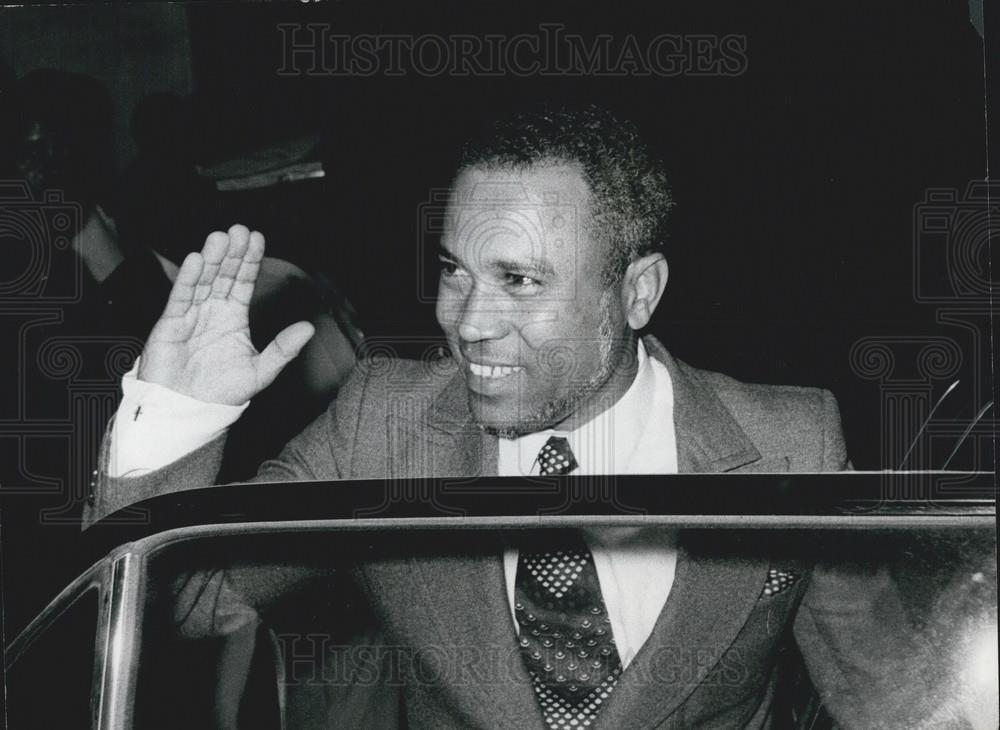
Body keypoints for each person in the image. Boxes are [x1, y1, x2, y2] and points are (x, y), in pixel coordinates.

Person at [85, 106, 925, 729]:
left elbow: (889, 697)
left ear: (637, 293)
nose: (467, 320)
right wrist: (180, 414)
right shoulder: (385, 424)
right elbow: (185, 608)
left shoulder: (787, 446)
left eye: (519, 280)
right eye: (456, 270)